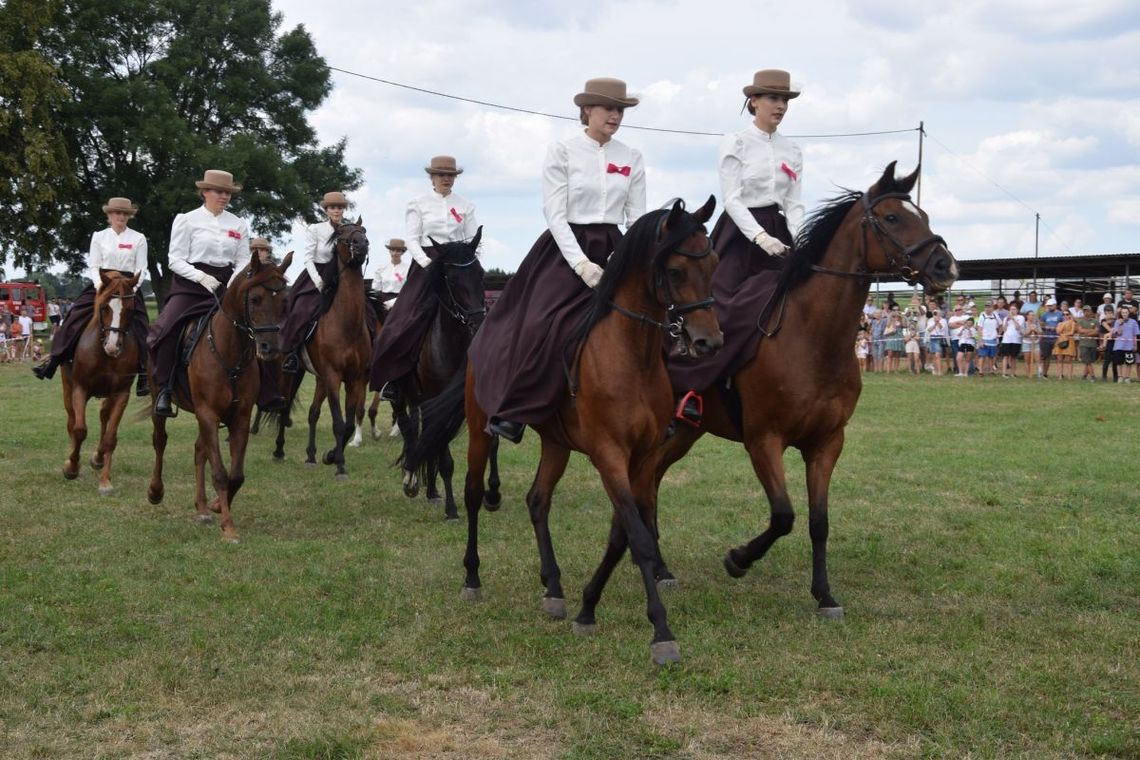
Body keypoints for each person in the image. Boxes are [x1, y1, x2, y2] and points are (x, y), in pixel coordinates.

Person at [467, 77, 645, 443]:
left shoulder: (632, 156)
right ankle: (514, 409)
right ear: (586, 111)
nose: (615, 115)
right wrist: (581, 264)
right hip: (565, 249)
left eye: (620, 110)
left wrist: (617, 258)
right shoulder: (562, 152)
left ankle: (666, 402)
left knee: (656, 314)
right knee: (540, 322)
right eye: (608, 108)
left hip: (617, 246)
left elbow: (637, 216)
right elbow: (555, 213)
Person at [667, 68, 803, 420]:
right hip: (740, 235)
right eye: (773, 98)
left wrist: (800, 241)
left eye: (785, 100)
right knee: (725, 310)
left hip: (781, 234)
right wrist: (760, 237)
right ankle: (688, 390)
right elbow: (732, 199)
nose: (781, 106)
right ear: (753, 101)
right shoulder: (736, 142)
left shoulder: (792, 149)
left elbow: (794, 203)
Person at [369, 156, 481, 402]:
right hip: (427, 263)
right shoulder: (417, 203)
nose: (446, 179)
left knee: (478, 311)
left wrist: (468, 263)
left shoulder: (465, 205)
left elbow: (473, 238)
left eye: (450, 175)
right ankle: (392, 378)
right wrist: (427, 264)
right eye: (441, 175)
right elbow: (412, 238)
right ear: (432, 177)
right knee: (403, 318)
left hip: (458, 263)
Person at [148, 170, 251, 417]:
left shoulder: (238, 224)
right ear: (205, 192)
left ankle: (266, 391)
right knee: (164, 329)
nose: (224, 196)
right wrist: (201, 277)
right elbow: (174, 259)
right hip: (191, 285)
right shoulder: (187, 220)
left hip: (228, 284)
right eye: (219, 191)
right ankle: (164, 388)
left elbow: (243, 258)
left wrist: (233, 284)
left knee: (259, 328)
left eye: (227, 192)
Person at [33, 196, 149, 393]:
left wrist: (132, 289)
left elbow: (142, 268)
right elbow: (94, 265)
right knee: (74, 315)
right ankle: (55, 359)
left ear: (129, 216)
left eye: (124, 214)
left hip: (129, 287)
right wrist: (99, 286)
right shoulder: (99, 236)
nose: (120, 217)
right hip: (102, 284)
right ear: (109, 215)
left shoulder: (138, 238)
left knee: (142, 325)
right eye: (117, 213)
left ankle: (145, 372)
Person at [279, 191, 352, 373]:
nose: (336, 211)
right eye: (333, 208)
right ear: (326, 210)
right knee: (301, 311)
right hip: (315, 275)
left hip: (341, 276)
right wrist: (319, 282)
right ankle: (291, 353)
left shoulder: (348, 230)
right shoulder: (316, 229)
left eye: (340, 208)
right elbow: (308, 259)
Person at [371, 238, 411, 313]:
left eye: (398, 251)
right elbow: (376, 288)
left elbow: (409, 290)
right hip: (383, 302)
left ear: (402, 252)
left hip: (401, 301)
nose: (394, 253)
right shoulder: (381, 268)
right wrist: (380, 302)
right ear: (389, 251)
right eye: (392, 250)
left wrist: (393, 302)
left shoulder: (408, 269)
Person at [1109, 306, 1139, 382]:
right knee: (1119, 363)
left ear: (1128, 313)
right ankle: (1120, 377)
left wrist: (1135, 345)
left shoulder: (1133, 322)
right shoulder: (1117, 322)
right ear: (1121, 313)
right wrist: (1120, 324)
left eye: (1126, 312)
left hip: (1129, 346)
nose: (1124, 314)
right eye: (1123, 312)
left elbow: (1135, 335)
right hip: (1119, 345)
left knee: (1129, 363)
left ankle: (1127, 377)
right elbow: (1117, 334)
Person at [1038, 297, 1063, 378]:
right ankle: (1044, 374)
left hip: (1057, 338)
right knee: (1046, 357)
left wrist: (1056, 328)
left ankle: (1060, 374)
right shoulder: (1045, 314)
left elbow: (1063, 325)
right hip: (1046, 337)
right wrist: (1046, 327)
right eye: (1048, 306)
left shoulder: (1060, 314)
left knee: (1059, 357)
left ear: (1055, 305)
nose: (1049, 307)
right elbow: (1041, 324)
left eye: (1050, 305)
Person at [976, 302, 1001, 376]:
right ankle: (980, 371)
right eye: (986, 307)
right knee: (982, 355)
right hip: (984, 338)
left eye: (989, 307)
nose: (987, 308)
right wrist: (980, 340)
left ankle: (991, 371)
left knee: (992, 356)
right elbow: (979, 328)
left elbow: (1001, 325)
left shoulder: (995, 315)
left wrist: (999, 333)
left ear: (992, 308)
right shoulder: (982, 316)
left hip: (993, 339)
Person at [1076, 306, 1100, 381]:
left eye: (1087, 310)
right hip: (1083, 344)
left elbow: (1096, 332)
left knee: (1089, 361)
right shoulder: (1080, 321)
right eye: (1084, 311)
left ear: (1091, 311)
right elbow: (1080, 330)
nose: (1086, 312)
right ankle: (1093, 376)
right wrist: (1091, 331)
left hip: (1092, 344)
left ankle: (1084, 376)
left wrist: (1086, 333)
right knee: (1088, 361)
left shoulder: (1095, 321)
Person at [998, 308, 1024, 377]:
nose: (1012, 311)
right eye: (1011, 309)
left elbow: (1018, 327)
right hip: (1006, 339)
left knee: (1013, 357)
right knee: (1005, 356)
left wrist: (1013, 319)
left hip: (1016, 340)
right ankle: (1004, 373)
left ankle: (1013, 373)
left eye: (1014, 309)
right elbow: (1004, 329)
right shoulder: (1006, 318)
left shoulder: (1020, 317)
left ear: (1017, 310)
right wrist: (1007, 320)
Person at [1053, 310, 1078, 379]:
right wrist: (1064, 324)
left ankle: (1069, 376)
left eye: (1067, 314)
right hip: (1060, 341)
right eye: (1064, 314)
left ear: (1070, 315)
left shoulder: (1073, 323)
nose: (1065, 316)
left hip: (1069, 341)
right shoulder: (1060, 323)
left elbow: (1072, 332)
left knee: (1069, 360)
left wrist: (1063, 334)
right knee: (1059, 359)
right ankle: (1060, 376)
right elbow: (1058, 331)